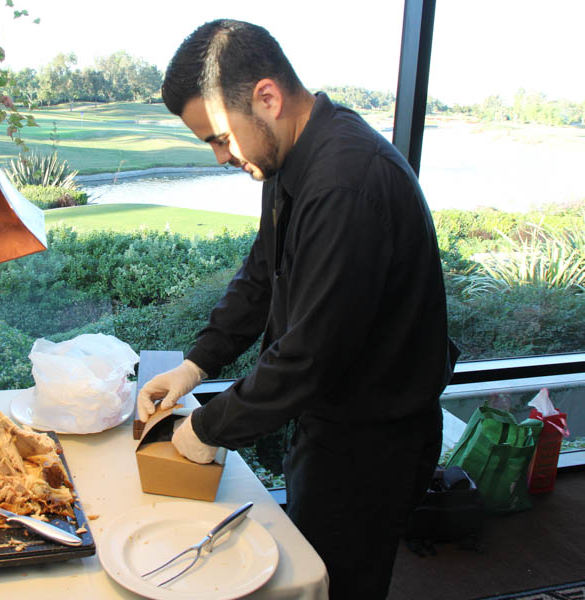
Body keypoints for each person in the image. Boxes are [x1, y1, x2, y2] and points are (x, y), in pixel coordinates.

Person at [136, 19, 459, 599]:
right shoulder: (286, 157)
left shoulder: (346, 184)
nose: (219, 157)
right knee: (310, 562)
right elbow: (262, 275)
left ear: (267, 97)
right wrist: (196, 364)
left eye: (219, 138)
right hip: (328, 421)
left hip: (374, 441)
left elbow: (310, 356)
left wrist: (206, 428)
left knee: (334, 584)